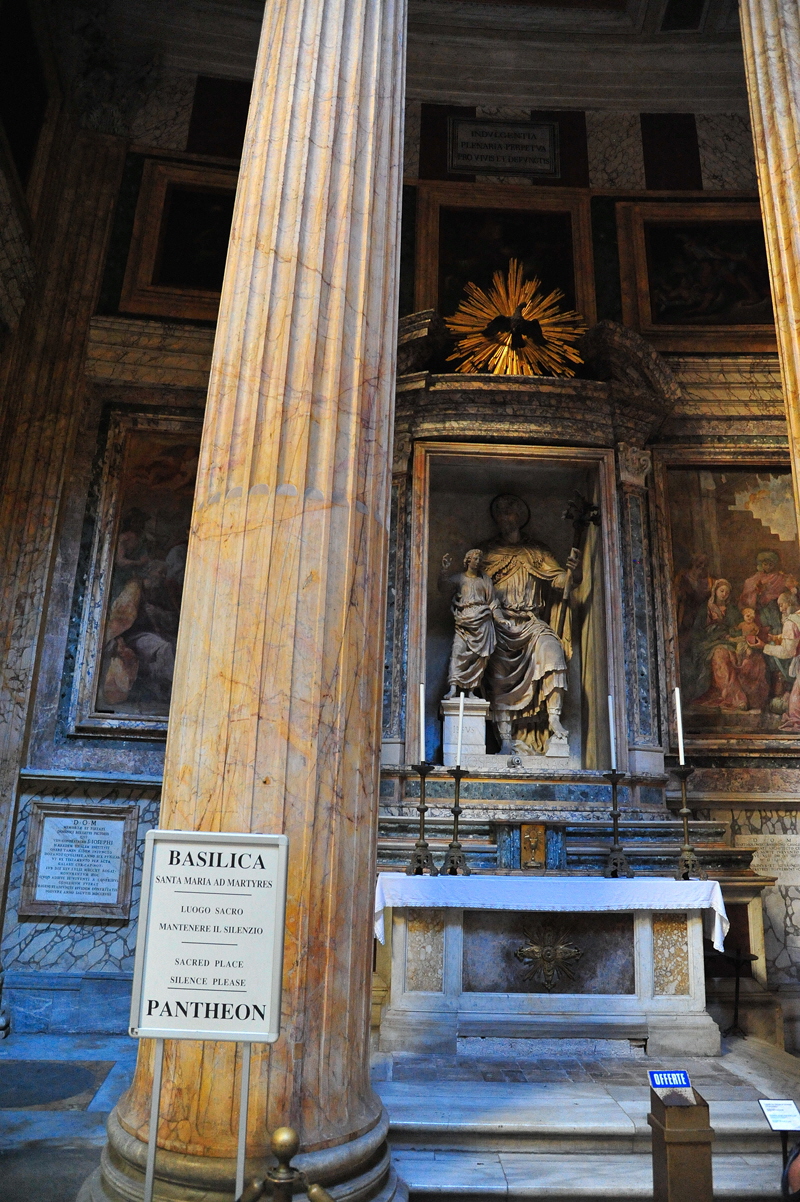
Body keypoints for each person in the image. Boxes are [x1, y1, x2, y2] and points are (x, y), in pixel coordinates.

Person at [480, 494, 581, 754]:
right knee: (498, 672)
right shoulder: (487, 553)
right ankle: (505, 740)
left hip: (531, 622)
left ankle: (554, 719)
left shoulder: (537, 552)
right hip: (500, 626)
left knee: (552, 652)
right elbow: (475, 591)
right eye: (500, 513)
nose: (505, 518)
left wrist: (572, 572)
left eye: (510, 513)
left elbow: (561, 581)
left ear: (521, 518)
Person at [686, 578, 769, 713]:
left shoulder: (732, 609)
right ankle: (736, 698)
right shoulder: (706, 609)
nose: (724, 594)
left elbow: (738, 627)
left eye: (727, 592)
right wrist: (718, 633)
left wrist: (735, 635)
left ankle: (754, 698)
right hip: (710, 643)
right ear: (715, 591)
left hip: (731, 641)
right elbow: (698, 632)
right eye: (721, 590)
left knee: (750, 657)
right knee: (721, 655)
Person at [440, 549, 501, 698]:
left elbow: (493, 602)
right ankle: (453, 688)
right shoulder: (460, 578)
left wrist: (501, 618)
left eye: (480, 559)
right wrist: (444, 570)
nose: (478, 561)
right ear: (467, 560)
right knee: (457, 652)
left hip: (483, 623)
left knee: (478, 658)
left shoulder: (484, 580)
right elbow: (444, 587)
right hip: (464, 622)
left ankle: (472, 690)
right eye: (475, 558)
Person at [762, 592, 800, 731]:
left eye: (782, 604)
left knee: (796, 705)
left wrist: (764, 647)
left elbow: (787, 652)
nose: (780, 609)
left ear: (789, 603)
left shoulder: (791, 622)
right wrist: (778, 637)